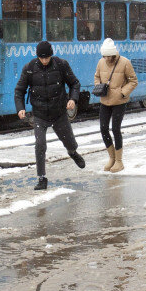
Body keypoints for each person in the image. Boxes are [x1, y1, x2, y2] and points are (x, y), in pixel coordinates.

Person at [14, 41, 85, 190]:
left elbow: (75, 83)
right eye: (42, 58)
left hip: (59, 113)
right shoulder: (30, 68)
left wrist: (73, 99)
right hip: (39, 114)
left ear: (51, 55)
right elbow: (19, 90)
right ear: (38, 56)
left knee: (70, 142)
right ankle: (42, 178)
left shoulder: (61, 64)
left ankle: (72, 152)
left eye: (47, 58)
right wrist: (20, 108)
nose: (45, 61)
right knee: (40, 145)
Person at [94, 38, 138, 173]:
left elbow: (133, 81)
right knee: (103, 128)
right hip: (105, 101)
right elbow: (96, 77)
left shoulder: (125, 62)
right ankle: (111, 158)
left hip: (119, 101)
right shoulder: (101, 62)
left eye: (108, 56)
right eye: (104, 56)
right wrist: (98, 86)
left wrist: (122, 93)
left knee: (116, 129)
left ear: (113, 54)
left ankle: (119, 161)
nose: (106, 59)